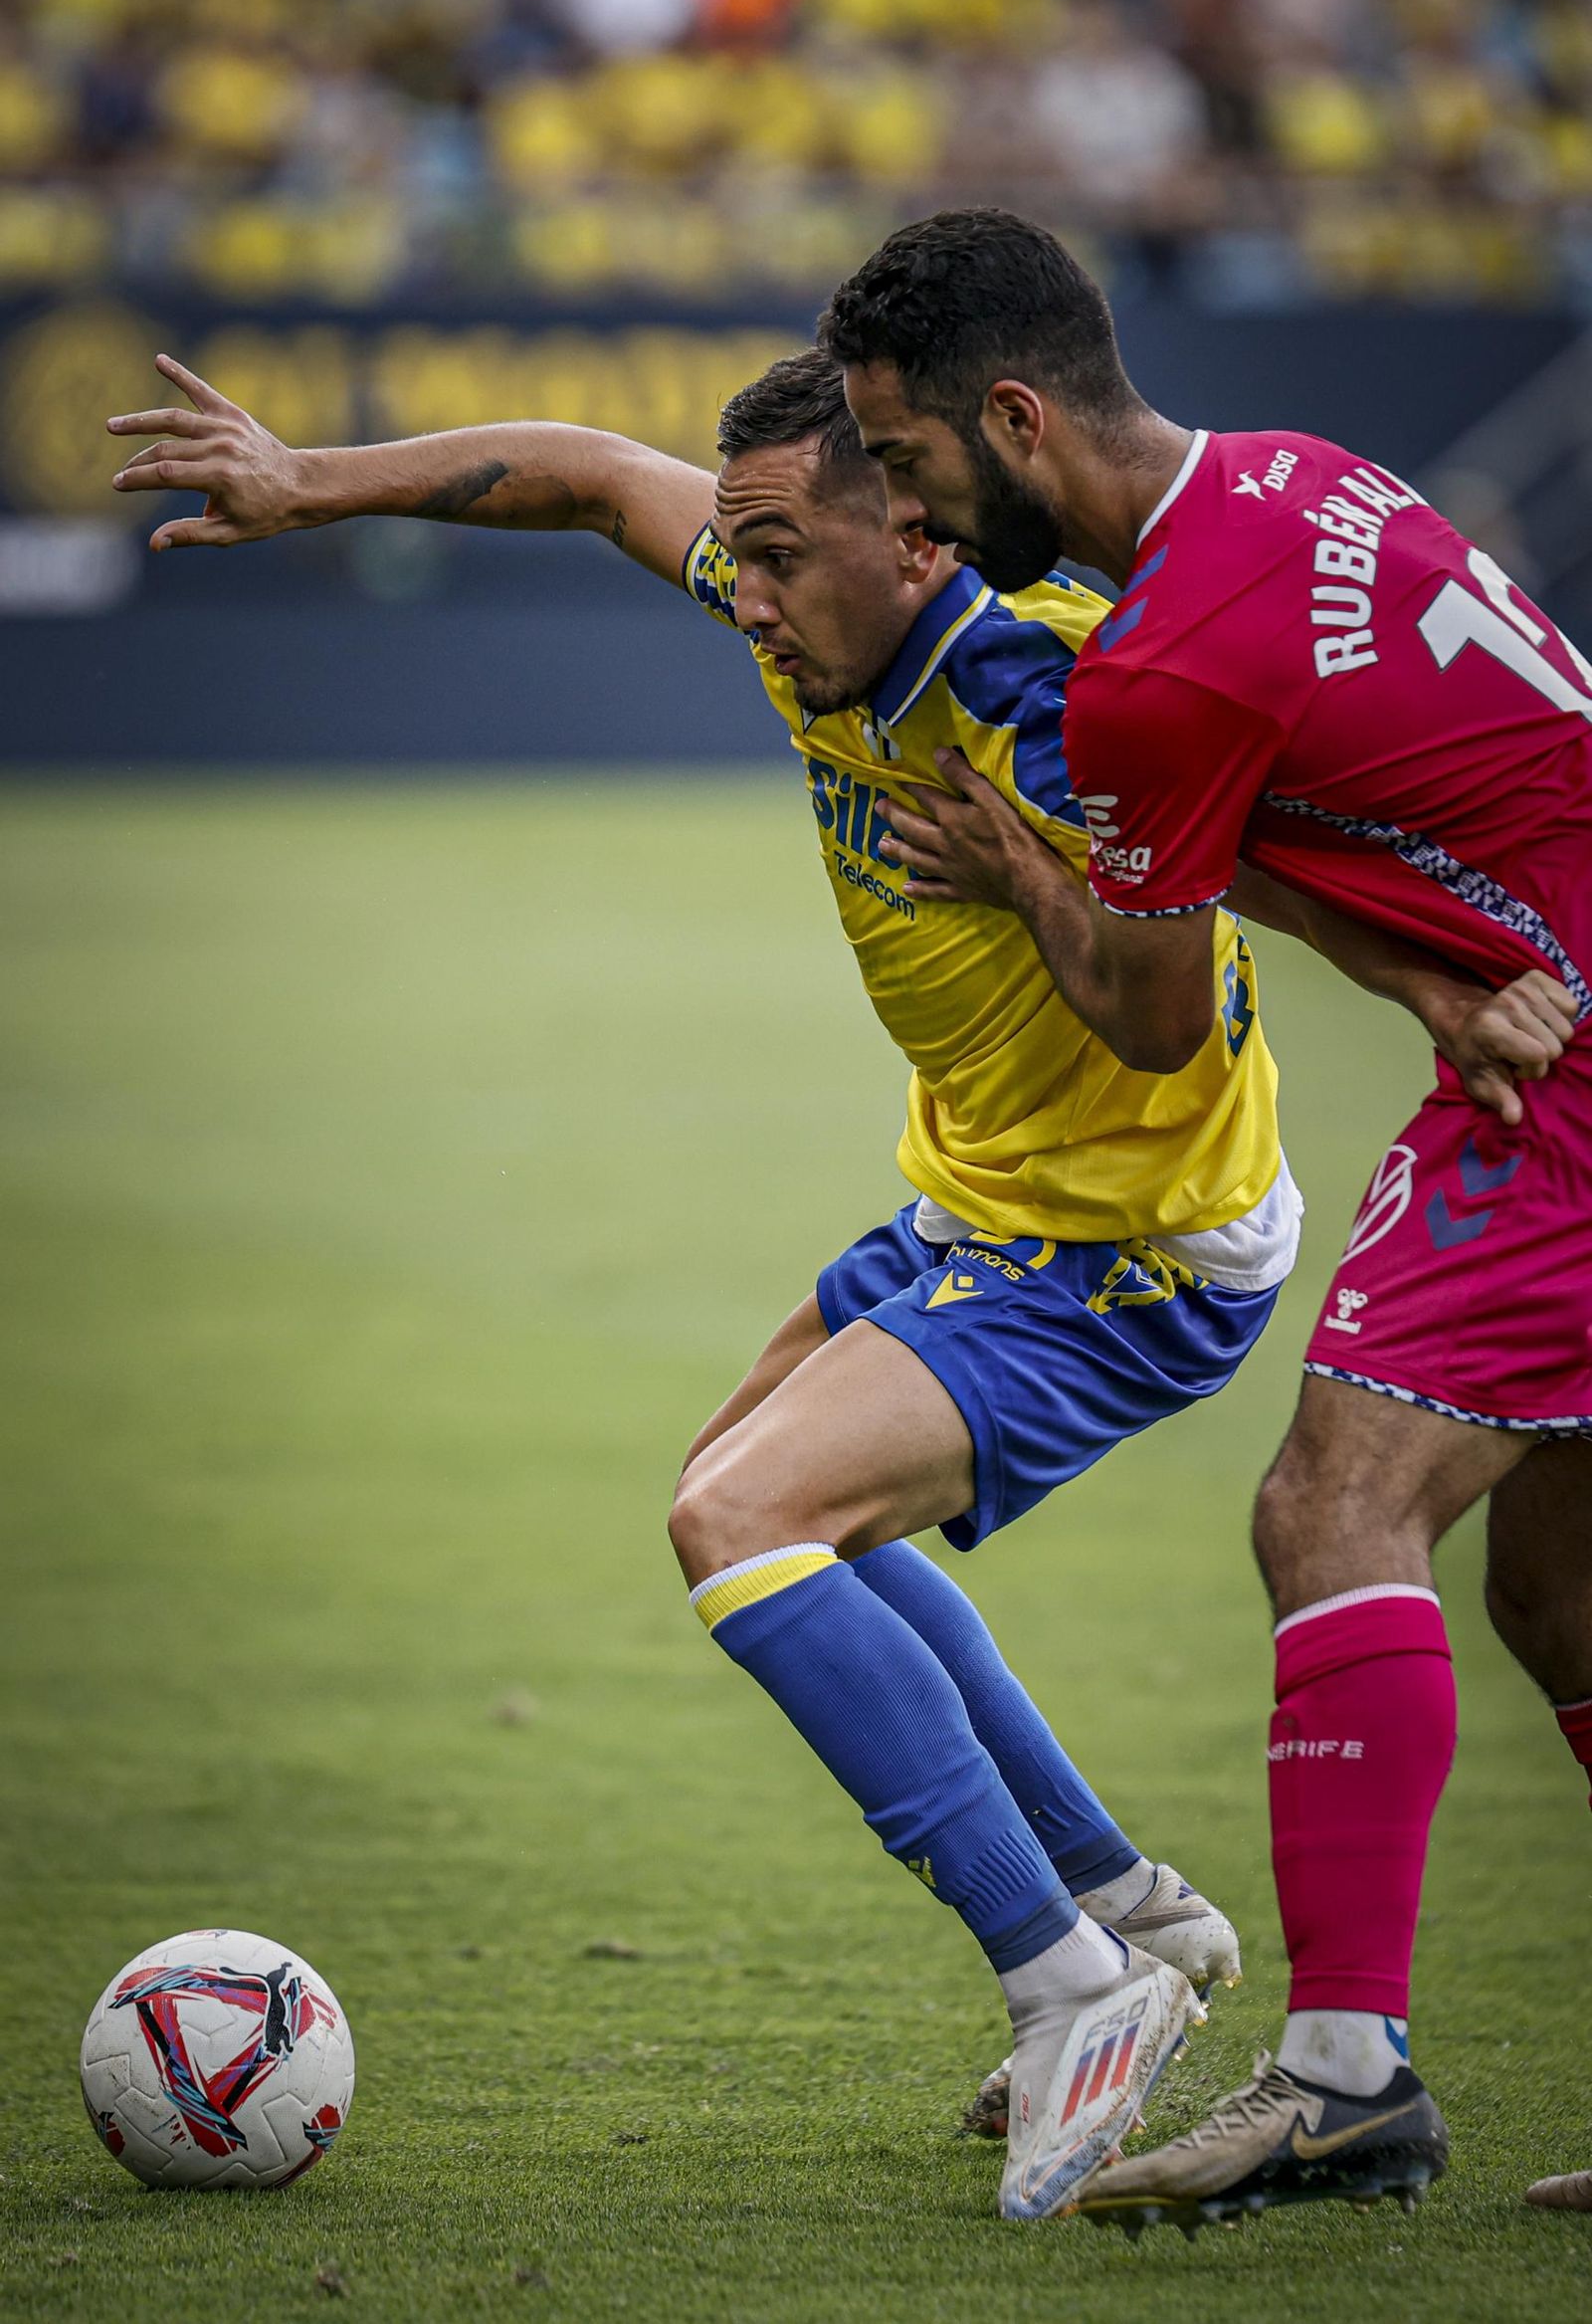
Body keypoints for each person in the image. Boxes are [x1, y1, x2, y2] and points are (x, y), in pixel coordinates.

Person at [107, 343, 1542, 2227]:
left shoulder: (1040, 686)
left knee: (746, 1517)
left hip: (1127, 1242)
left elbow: (1170, 991)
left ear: (921, 532)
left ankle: (1068, 1988)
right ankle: (1133, 1910)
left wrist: (1036, 875)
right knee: (782, 1521)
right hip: (976, 1198)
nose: (747, 594)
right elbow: (580, 470)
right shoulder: (796, 596)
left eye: (782, 555)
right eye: (746, 557)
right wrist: (310, 484)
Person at [822, 204, 1588, 2234]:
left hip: (1569, 1072)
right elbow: (1335, 806)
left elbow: (1150, 1026)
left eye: (900, 465)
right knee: (1559, 1606)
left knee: (1328, 1510)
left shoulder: (1148, 669)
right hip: (1542, 996)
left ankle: (1343, 2085)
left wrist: (1015, 873)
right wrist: (1423, 975)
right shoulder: (1298, 476)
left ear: (1007, 417)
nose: (895, 513)